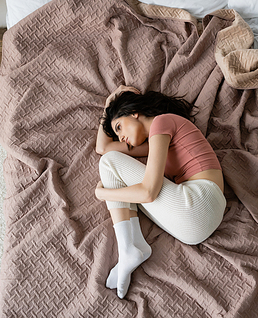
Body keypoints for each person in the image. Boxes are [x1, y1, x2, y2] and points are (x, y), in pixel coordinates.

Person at [95, 85, 226, 299]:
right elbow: (103, 147)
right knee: (109, 161)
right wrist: (108, 106)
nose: (121, 138)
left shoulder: (162, 122)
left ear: (134, 113)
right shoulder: (157, 140)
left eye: (119, 127)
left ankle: (129, 248)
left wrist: (103, 194)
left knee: (109, 165)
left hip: (200, 201)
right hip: (195, 229)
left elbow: (148, 192)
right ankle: (131, 247)